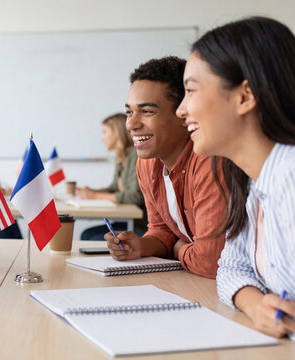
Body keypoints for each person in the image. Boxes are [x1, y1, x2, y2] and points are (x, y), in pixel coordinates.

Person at [176, 17, 295, 338]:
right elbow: (231, 267)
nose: (181, 110)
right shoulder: (252, 181)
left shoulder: (290, 177)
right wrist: (257, 306)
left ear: (244, 96)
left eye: (190, 91)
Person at [105, 56, 227, 279]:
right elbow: (163, 230)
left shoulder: (209, 160)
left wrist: (178, 248)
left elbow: (210, 262)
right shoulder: (146, 163)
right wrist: (141, 246)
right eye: (129, 112)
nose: (131, 124)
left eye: (147, 111)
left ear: (183, 114)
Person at [75, 113, 146, 239]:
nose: (102, 138)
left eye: (104, 132)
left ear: (117, 133)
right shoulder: (122, 157)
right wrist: (91, 192)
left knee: (89, 237)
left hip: (140, 225)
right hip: (126, 221)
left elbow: (134, 197)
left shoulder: (136, 156)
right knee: (87, 235)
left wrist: (95, 196)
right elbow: (114, 187)